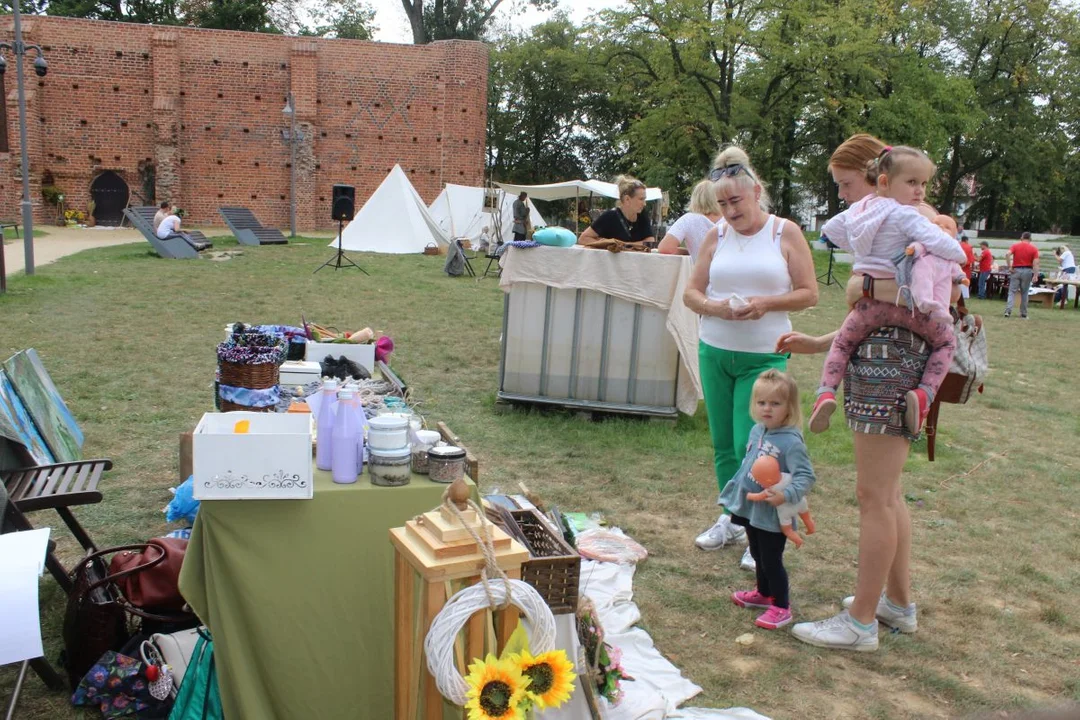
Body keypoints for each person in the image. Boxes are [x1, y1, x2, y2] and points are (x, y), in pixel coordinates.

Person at [780, 132, 927, 652]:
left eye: (846, 185)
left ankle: (861, 624)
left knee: (874, 497)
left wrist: (860, 287)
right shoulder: (891, 225)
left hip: (892, 369)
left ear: (876, 178)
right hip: (884, 362)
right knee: (886, 495)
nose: (843, 197)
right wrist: (823, 339)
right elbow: (873, 308)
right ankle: (896, 604)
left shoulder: (918, 221)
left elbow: (934, 293)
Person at [683, 145, 817, 571]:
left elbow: (809, 293)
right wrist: (715, 307)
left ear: (756, 192)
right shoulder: (715, 234)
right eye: (721, 204)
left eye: (735, 201)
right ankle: (733, 518)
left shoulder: (784, 232)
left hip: (765, 355)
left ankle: (762, 528)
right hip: (716, 348)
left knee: (754, 445)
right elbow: (691, 292)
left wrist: (765, 303)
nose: (729, 211)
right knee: (724, 444)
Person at [809, 146, 966, 436]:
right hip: (910, 308)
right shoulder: (908, 216)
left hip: (869, 308)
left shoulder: (860, 212)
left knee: (842, 344)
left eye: (923, 184)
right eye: (912, 183)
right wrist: (960, 255)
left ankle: (826, 392)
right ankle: (925, 395)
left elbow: (830, 229)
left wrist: (860, 250)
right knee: (946, 342)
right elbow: (943, 247)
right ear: (884, 181)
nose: (919, 191)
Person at [723, 370, 816, 630]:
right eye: (761, 402)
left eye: (775, 403)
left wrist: (785, 495)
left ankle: (781, 607)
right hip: (753, 507)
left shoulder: (791, 441)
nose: (767, 409)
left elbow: (806, 476)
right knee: (756, 552)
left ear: (789, 408)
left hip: (773, 514)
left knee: (772, 559)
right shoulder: (757, 431)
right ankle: (763, 594)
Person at [578, 176, 656, 245]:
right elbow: (583, 239)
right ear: (627, 199)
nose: (644, 203)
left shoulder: (642, 216)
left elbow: (650, 243)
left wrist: (622, 245)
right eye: (641, 199)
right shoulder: (609, 217)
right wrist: (606, 243)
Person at [657, 179, 722, 261]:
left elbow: (664, 248)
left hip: (701, 271)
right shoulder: (730, 219)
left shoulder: (688, 219)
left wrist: (689, 251)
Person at [1004, 232, 1040, 318]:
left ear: (1022, 238)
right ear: (1030, 239)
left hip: (1016, 270)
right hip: (1027, 270)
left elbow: (1007, 254)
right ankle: (1023, 313)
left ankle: (1008, 311)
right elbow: (1036, 263)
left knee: (1012, 292)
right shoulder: (1034, 249)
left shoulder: (1015, 246)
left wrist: (1009, 266)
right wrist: (1035, 275)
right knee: (1024, 293)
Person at [958, 234, 975, 299]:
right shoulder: (969, 247)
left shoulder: (957, 245)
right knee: (965, 279)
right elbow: (971, 259)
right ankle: (965, 295)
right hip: (966, 267)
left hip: (957, 265)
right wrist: (973, 267)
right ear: (966, 240)